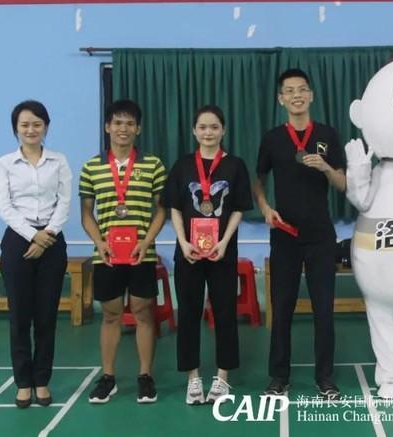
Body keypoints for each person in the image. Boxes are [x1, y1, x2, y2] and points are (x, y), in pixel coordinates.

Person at [253, 68, 347, 399]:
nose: (297, 95)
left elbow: (343, 183)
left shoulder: (327, 134)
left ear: (311, 95)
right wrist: (265, 208)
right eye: (290, 91)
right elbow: (259, 180)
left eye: (302, 89)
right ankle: (279, 377)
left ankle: (325, 377)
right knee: (282, 308)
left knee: (324, 309)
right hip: (285, 235)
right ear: (281, 99)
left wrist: (326, 167)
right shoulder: (272, 138)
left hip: (321, 235)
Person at [164, 105, 254, 405]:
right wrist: (183, 241)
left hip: (221, 253)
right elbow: (175, 207)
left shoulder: (235, 165)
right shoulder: (183, 165)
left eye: (214, 127)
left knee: (225, 313)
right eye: (202, 127)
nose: (208, 132)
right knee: (189, 314)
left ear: (223, 130)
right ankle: (193, 378)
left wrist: (225, 242)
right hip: (188, 253)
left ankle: (222, 377)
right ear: (194, 131)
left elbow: (239, 208)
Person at [80, 99, 167, 404]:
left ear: (138, 129)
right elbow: (86, 213)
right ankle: (108, 377)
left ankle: (145, 376)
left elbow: (162, 210)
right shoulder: (91, 167)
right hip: (106, 255)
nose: (123, 128)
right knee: (111, 315)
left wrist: (147, 241)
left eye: (130, 123)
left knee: (144, 313)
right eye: (117, 123)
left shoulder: (153, 165)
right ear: (107, 127)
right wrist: (100, 242)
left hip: (142, 253)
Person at [0, 100, 72, 408]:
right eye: (25, 124)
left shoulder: (59, 161)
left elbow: (64, 201)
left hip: (52, 241)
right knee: (19, 316)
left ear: (46, 127)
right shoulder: (4, 164)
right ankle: (23, 382)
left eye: (37, 124)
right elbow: (3, 205)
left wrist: (46, 235)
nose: (31, 129)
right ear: (16, 128)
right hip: (18, 241)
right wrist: (32, 235)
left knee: (46, 316)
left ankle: (42, 380)